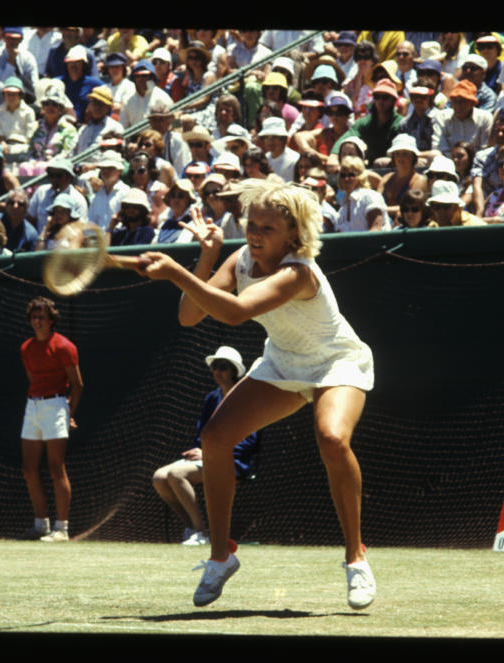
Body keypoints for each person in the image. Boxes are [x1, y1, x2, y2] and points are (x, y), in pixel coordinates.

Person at [133, 179, 376, 609]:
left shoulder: (298, 273)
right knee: (214, 438)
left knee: (333, 439)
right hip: (282, 362)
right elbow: (191, 316)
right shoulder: (242, 258)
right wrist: (206, 256)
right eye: (251, 224)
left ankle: (356, 558)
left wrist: (173, 271)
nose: (255, 234)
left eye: (267, 228)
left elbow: (234, 312)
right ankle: (220, 555)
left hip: (335, 363)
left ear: (293, 236)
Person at [152, 346, 259, 546]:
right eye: (214, 367)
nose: (217, 372)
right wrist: (198, 451)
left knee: (176, 474)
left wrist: (209, 454)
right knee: (159, 477)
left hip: (233, 462)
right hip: (208, 457)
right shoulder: (212, 397)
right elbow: (203, 433)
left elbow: (249, 441)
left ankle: (200, 532)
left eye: (223, 367)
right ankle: (193, 529)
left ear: (234, 371)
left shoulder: (245, 398)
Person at [19, 296, 84, 542]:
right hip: (33, 406)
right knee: (29, 469)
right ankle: (41, 525)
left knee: (56, 467)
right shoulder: (26, 348)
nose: (38, 322)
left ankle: (62, 529)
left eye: (42, 318)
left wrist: (68, 413)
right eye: (34, 317)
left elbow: (77, 385)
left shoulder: (64, 346)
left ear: (51, 320)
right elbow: (33, 380)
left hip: (56, 405)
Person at [330, 79, 402, 168]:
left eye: (385, 97)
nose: (380, 101)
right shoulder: (365, 122)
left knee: (380, 162)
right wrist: (334, 155)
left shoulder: (400, 123)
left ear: (393, 100)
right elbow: (348, 136)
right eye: (377, 96)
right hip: (366, 167)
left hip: (392, 168)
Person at [432, 80, 494, 156]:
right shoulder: (441, 117)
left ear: (472, 103)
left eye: (463, 102)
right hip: (447, 161)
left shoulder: (485, 118)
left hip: (476, 162)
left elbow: (485, 149)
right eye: (455, 101)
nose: (458, 106)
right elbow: (438, 147)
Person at [335, 155, 391, 233]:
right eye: (343, 175)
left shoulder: (369, 197)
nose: (346, 179)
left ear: (361, 176)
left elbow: (376, 231)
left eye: (351, 175)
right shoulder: (343, 207)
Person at [377, 134, 428, 219]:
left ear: (413, 156)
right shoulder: (385, 178)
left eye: (405, 154)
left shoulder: (420, 180)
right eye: (397, 154)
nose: (400, 158)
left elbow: (411, 207)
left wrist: (382, 209)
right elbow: (376, 202)